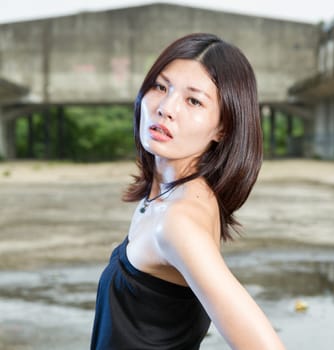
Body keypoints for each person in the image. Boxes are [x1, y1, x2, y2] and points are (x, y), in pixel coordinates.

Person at [90, 33, 285, 350]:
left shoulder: (179, 221)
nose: (166, 108)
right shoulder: (168, 195)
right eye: (161, 87)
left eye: (193, 100)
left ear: (223, 127)